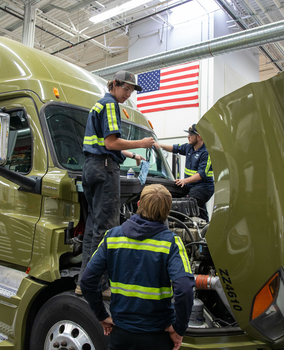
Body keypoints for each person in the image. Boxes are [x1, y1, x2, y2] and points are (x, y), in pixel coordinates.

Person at [81, 184, 195, 350]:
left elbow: (86, 280)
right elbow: (185, 289)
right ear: (167, 212)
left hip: (120, 335)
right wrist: (179, 328)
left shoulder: (112, 237)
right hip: (158, 336)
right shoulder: (171, 243)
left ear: (139, 204)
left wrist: (102, 315)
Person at [76, 71, 155, 296]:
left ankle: (84, 282)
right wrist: (142, 143)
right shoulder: (111, 105)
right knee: (106, 228)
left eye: (131, 90)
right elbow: (111, 143)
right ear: (115, 85)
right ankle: (99, 285)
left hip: (91, 168)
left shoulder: (98, 105)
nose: (128, 94)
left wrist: (132, 156)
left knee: (92, 226)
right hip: (104, 169)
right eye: (126, 89)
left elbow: (103, 141)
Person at [158, 124, 214, 222]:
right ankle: (206, 229)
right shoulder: (189, 147)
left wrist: (184, 180)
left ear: (199, 136)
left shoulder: (206, 152)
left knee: (188, 202)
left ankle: (177, 223)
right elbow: (174, 148)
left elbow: (201, 174)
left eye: (190, 134)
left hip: (204, 187)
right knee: (199, 209)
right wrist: (158, 145)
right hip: (191, 186)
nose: (188, 136)